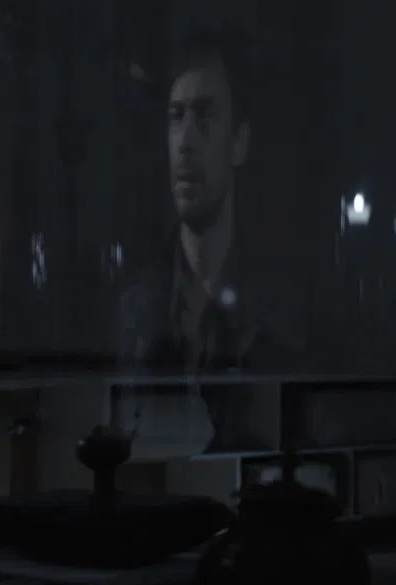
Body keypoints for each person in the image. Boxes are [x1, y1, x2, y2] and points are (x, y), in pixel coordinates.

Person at [117, 27, 300, 373]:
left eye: (204, 115)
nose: (185, 141)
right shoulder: (136, 309)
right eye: (176, 117)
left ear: (239, 142)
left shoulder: (280, 307)